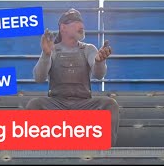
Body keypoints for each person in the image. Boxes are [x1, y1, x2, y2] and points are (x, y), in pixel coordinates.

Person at [25, 8, 120, 146]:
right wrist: (46, 55)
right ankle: (36, 154)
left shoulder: (88, 49)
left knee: (110, 104)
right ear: (63, 27)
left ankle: (106, 153)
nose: (81, 26)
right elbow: (38, 78)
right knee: (34, 105)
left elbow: (99, 75)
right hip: (57, 104)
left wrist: (100, 61)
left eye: (81, 22)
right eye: (76, 22)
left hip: (84, 104)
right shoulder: (53, 49)